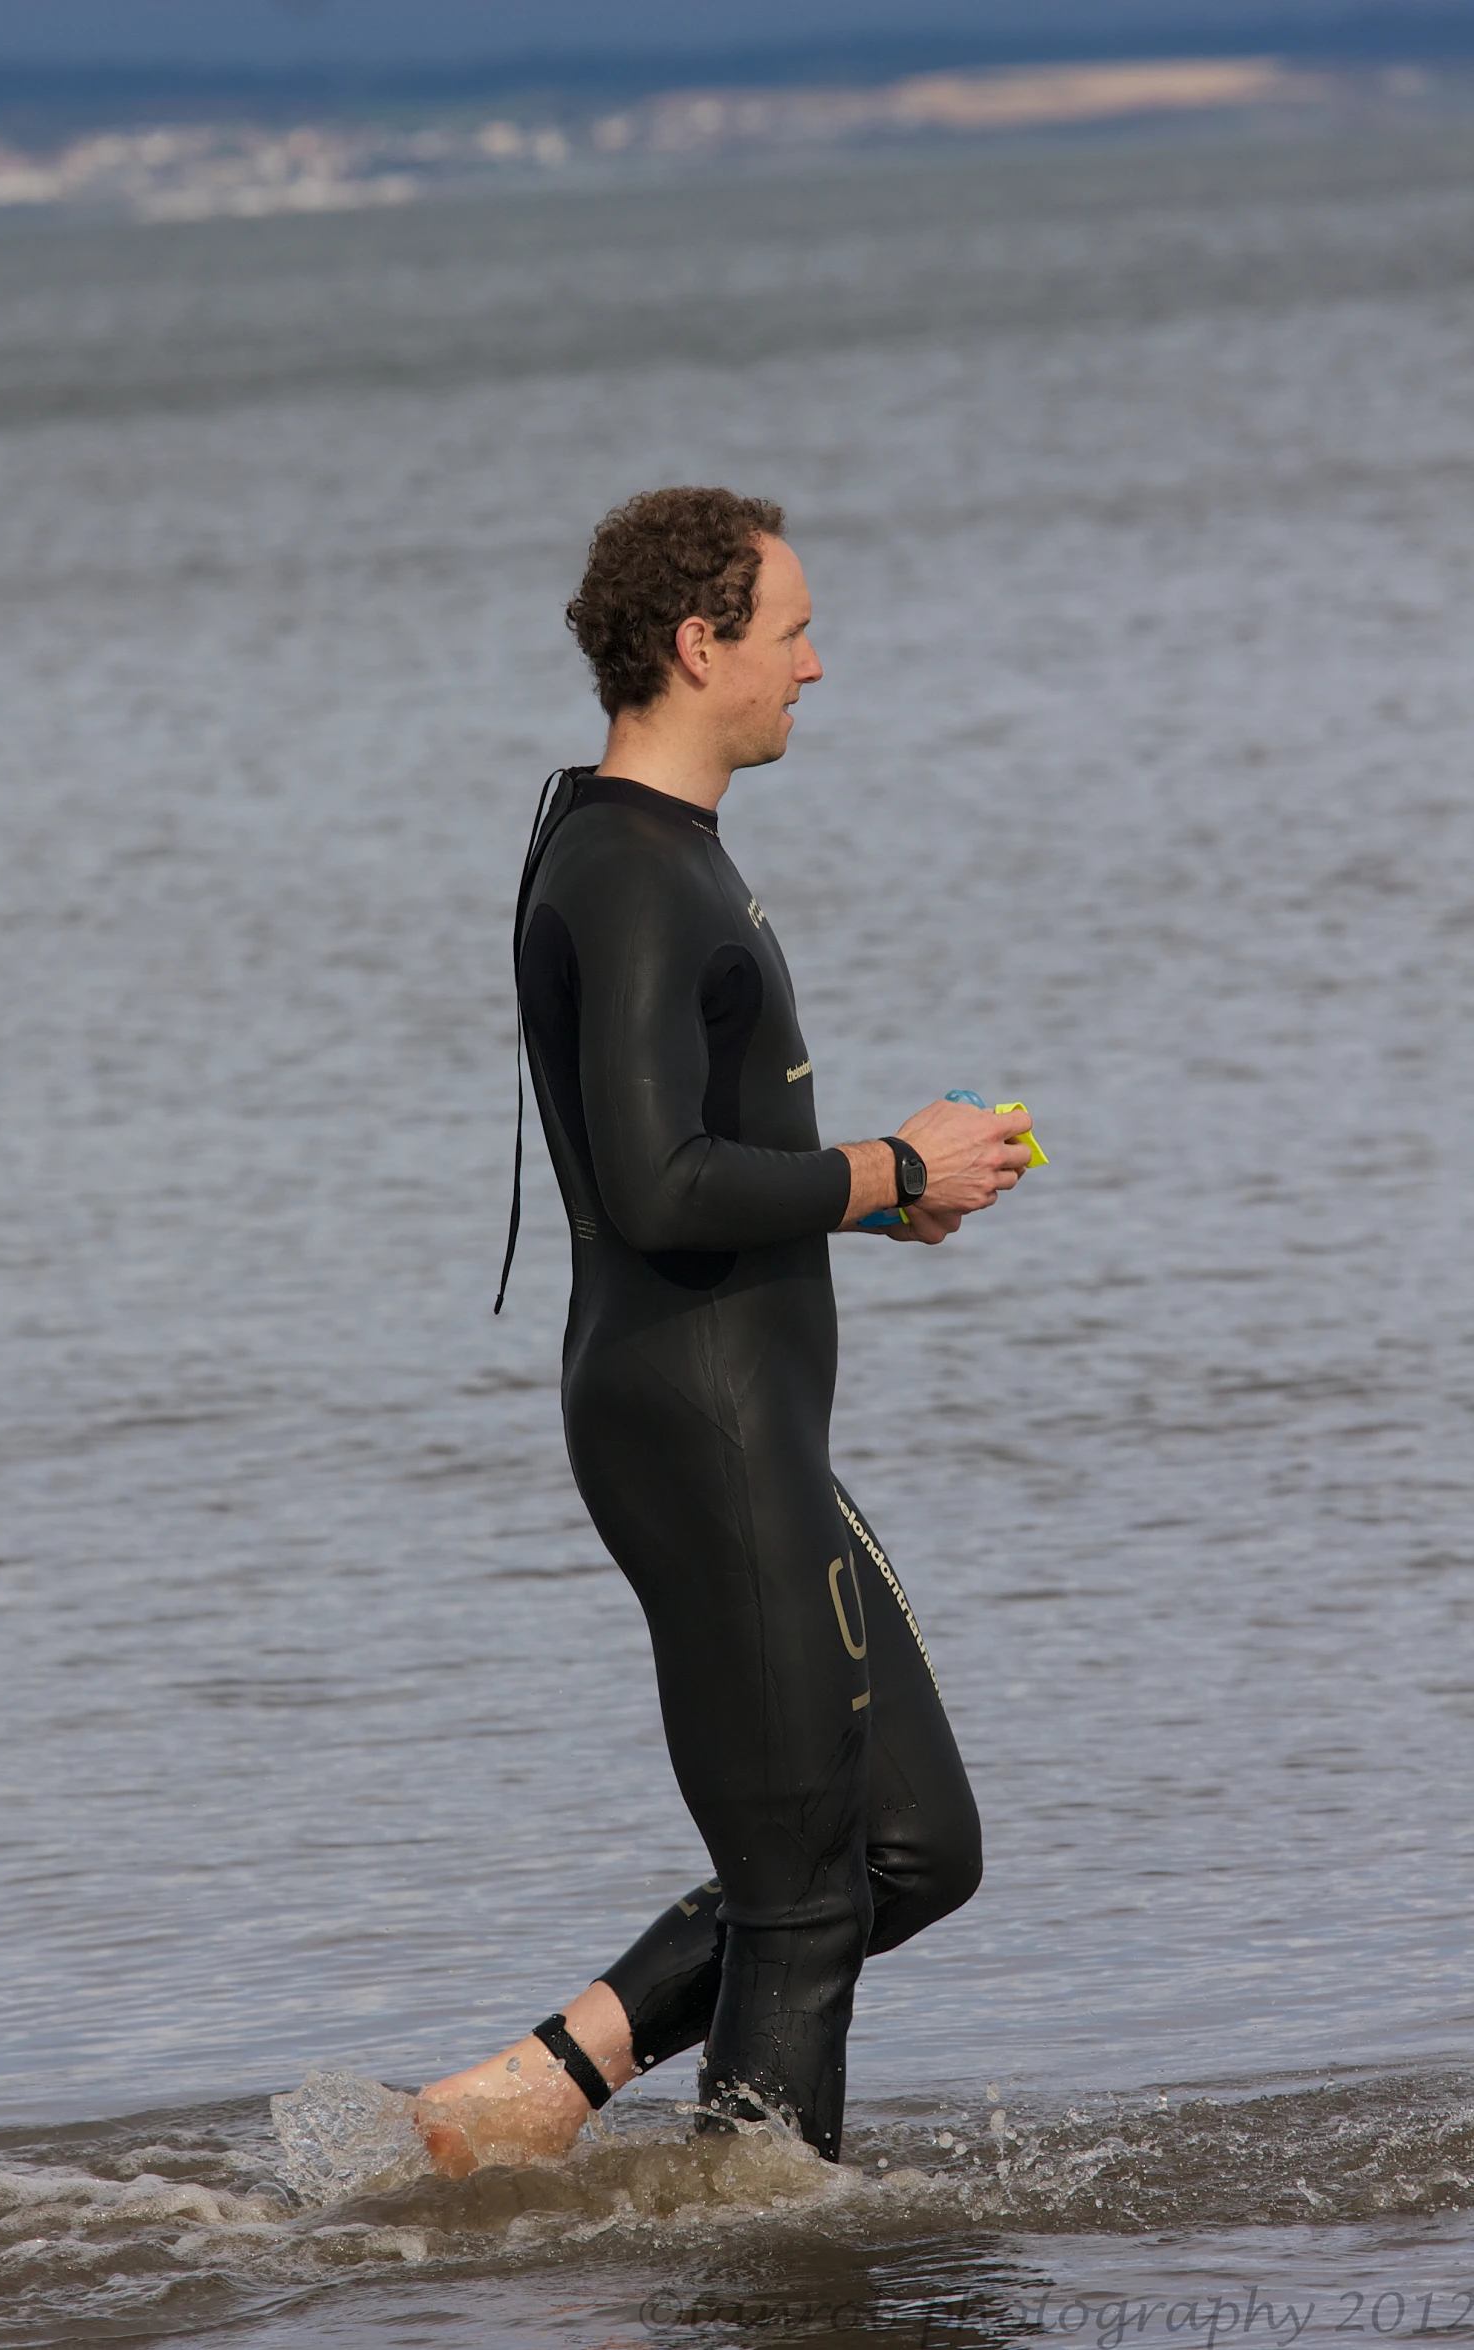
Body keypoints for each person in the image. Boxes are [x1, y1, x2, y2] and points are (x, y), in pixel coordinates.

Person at [414, 486, 1034, 2178]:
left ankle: (550, 2078)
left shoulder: (664, 847)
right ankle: (761, 2269)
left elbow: (693, 1153)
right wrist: (884, 1160)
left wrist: (876, 1199)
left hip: (750, 1421)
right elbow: (657, 1179)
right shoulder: (622, 866)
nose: (814, 667)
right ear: (701, 646)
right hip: (695, 1422)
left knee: (914, 1847)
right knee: (804, 1897)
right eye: (791, 631)